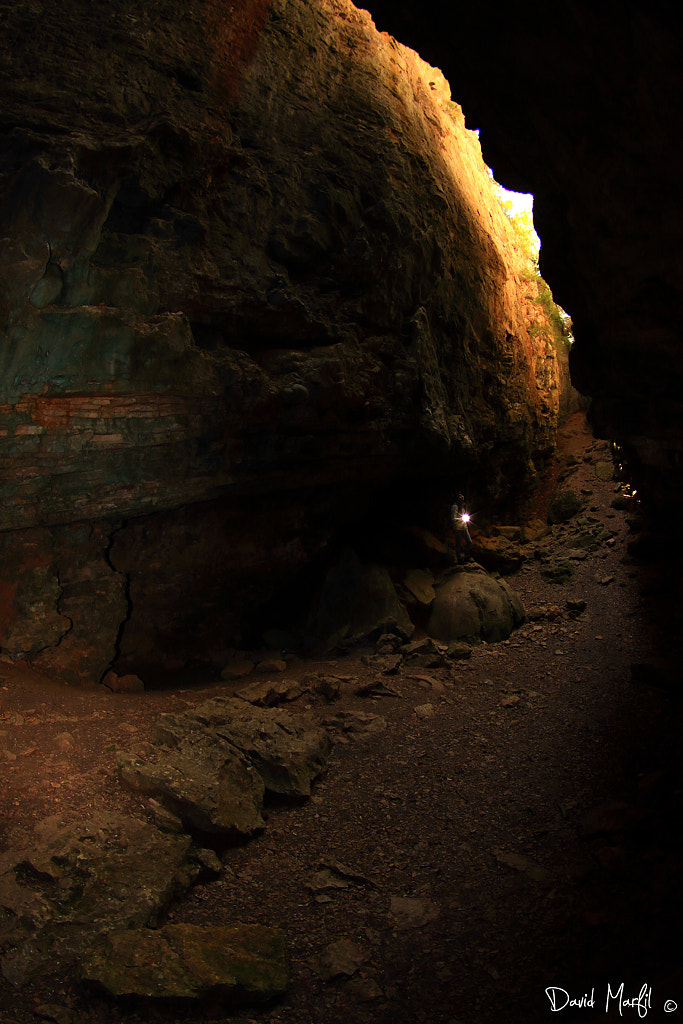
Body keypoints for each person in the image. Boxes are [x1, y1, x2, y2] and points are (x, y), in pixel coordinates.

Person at [450, 492, 472, 564]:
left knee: (469, 542)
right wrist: (461, 519)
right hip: (458, 528)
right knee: (458, 544)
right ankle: (459, 559)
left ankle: (466, 557)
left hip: (464, 527)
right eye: (460, 497)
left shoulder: (462, 507)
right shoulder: (454, 507)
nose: (462, 498)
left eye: (462, 497)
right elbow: (453, 518)